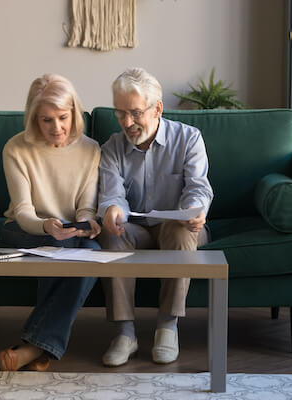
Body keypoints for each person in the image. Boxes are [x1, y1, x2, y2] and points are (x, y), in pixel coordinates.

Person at [97, 67, 213, 366]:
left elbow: (198, 188)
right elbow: (112, 194)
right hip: (135, 229)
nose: (127, 122)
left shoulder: (188, 138)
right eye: (120, 113)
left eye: (135, 113)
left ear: (157, 108)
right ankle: (125, 334)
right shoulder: (112, 147)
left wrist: (195, 212)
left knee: (180, 231)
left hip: (178, 227)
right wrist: (112, 211)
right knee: (110, 231)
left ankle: (167, 327)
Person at [0, 73, 101, 371]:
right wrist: (47, 226)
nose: (57, 127)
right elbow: (24, 212)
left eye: (63, 117)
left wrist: (87, 223)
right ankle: (39, 347)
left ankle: (34, 348)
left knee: (91, 252)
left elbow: (86, 207)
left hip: (69, 232)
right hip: (24, 229)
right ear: (34, 118)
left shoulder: (91, 149)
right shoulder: (16, 149)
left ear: (74, 113)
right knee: (61, 241)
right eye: (47, 120)